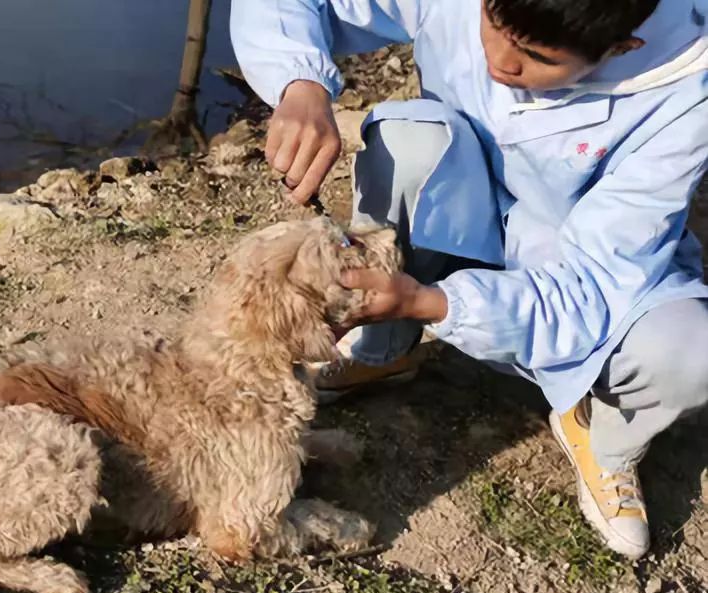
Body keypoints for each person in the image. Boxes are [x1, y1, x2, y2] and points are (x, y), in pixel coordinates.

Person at [230, 0, 708, 559]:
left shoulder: (684, 89)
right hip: (461, 197)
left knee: (687, 353)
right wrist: (302, 84)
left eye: (535, 56)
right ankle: (385, 352)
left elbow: (596, 283)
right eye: (492, 23)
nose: (499, 61)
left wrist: (430, 303)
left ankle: (604, 434)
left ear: (624, 47)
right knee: (410, 139)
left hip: (574, 250)